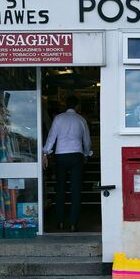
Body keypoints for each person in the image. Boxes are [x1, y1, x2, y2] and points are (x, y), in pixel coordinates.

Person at [42, 95, 92, 232]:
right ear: (77, 106)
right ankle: (73, 224)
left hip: (60, 155)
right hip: (76, 155)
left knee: (60, 189)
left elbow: (52, 136)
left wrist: (46, 153)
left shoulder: (58, 118)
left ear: (66, 105)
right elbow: (87, 141)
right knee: (76, 191)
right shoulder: (81, 120)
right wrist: (87, 154)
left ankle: (60, 222)